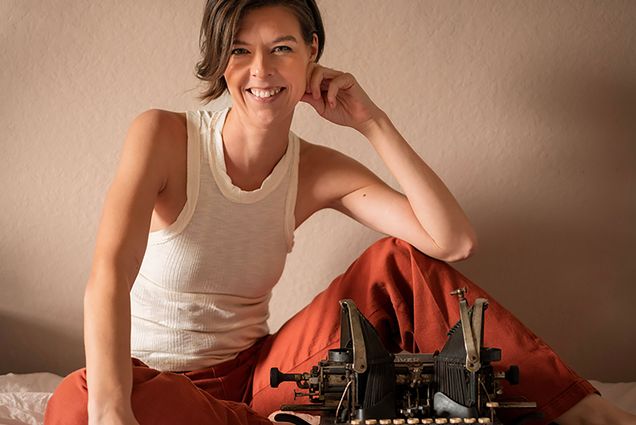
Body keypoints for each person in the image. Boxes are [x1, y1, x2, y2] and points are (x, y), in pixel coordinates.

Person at [44, 1, 636, 424]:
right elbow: (108, 279)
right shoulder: (163, 137)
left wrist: (370, 121)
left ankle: (582, 410)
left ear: (312, 55)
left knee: (397, 261)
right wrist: (113, 412)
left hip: (263, 381)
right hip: (155, 384)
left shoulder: (318, 169)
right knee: (76, 401)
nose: (261, 71)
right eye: (240, 51)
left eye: (282, 49)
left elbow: (450, 241)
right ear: (220, 60)